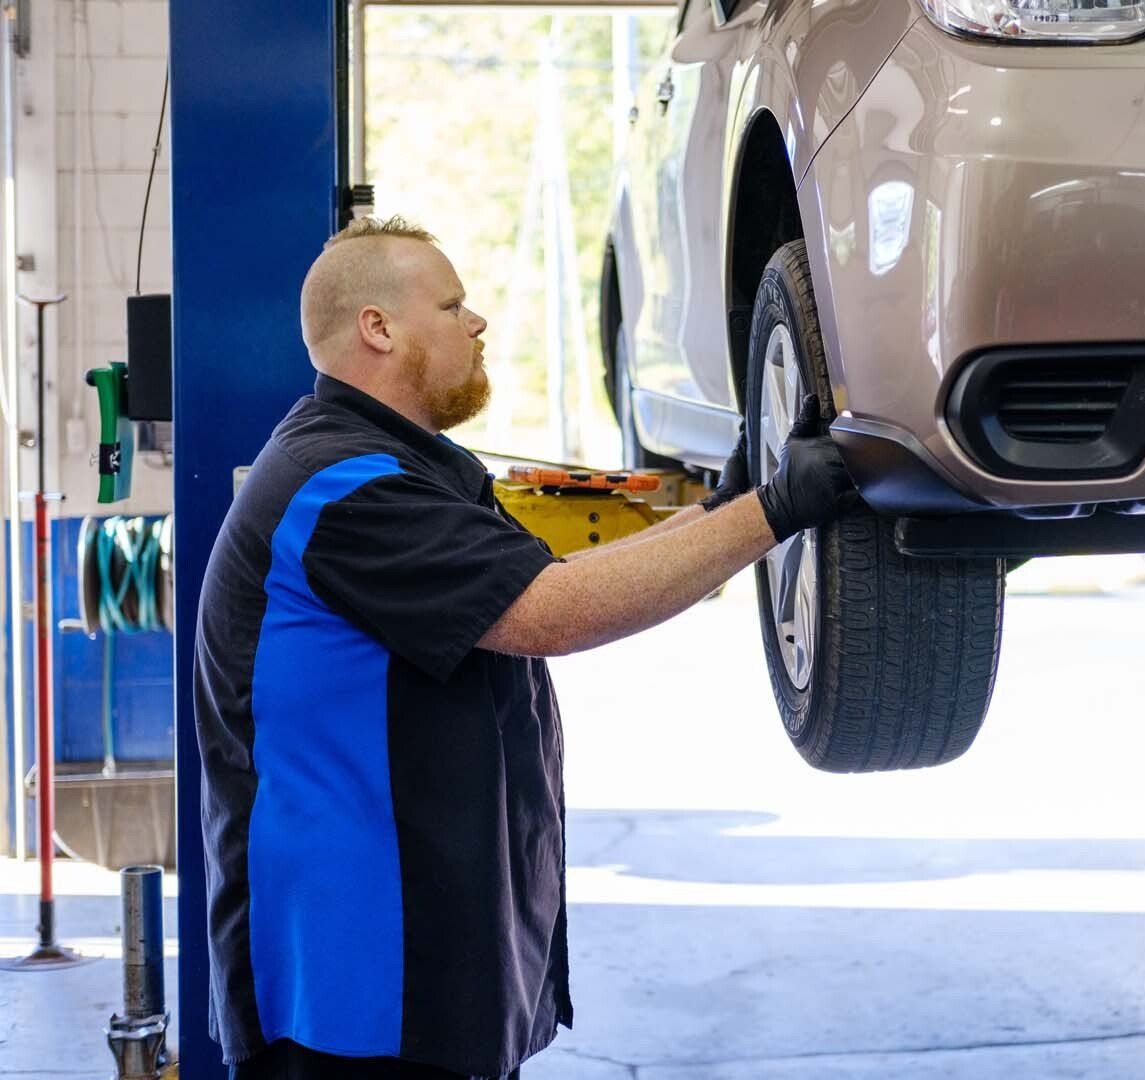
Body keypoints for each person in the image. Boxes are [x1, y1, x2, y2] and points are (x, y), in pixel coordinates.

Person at [193, 215, 857, 1079]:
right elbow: (553, 610)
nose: (476, 324)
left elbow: (540, 575)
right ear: (379, 329)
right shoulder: (344, 489)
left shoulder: (397, 465)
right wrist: (774, 513)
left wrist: (723, 509)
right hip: (351, 986)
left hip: (409, 957)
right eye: (453, 304)